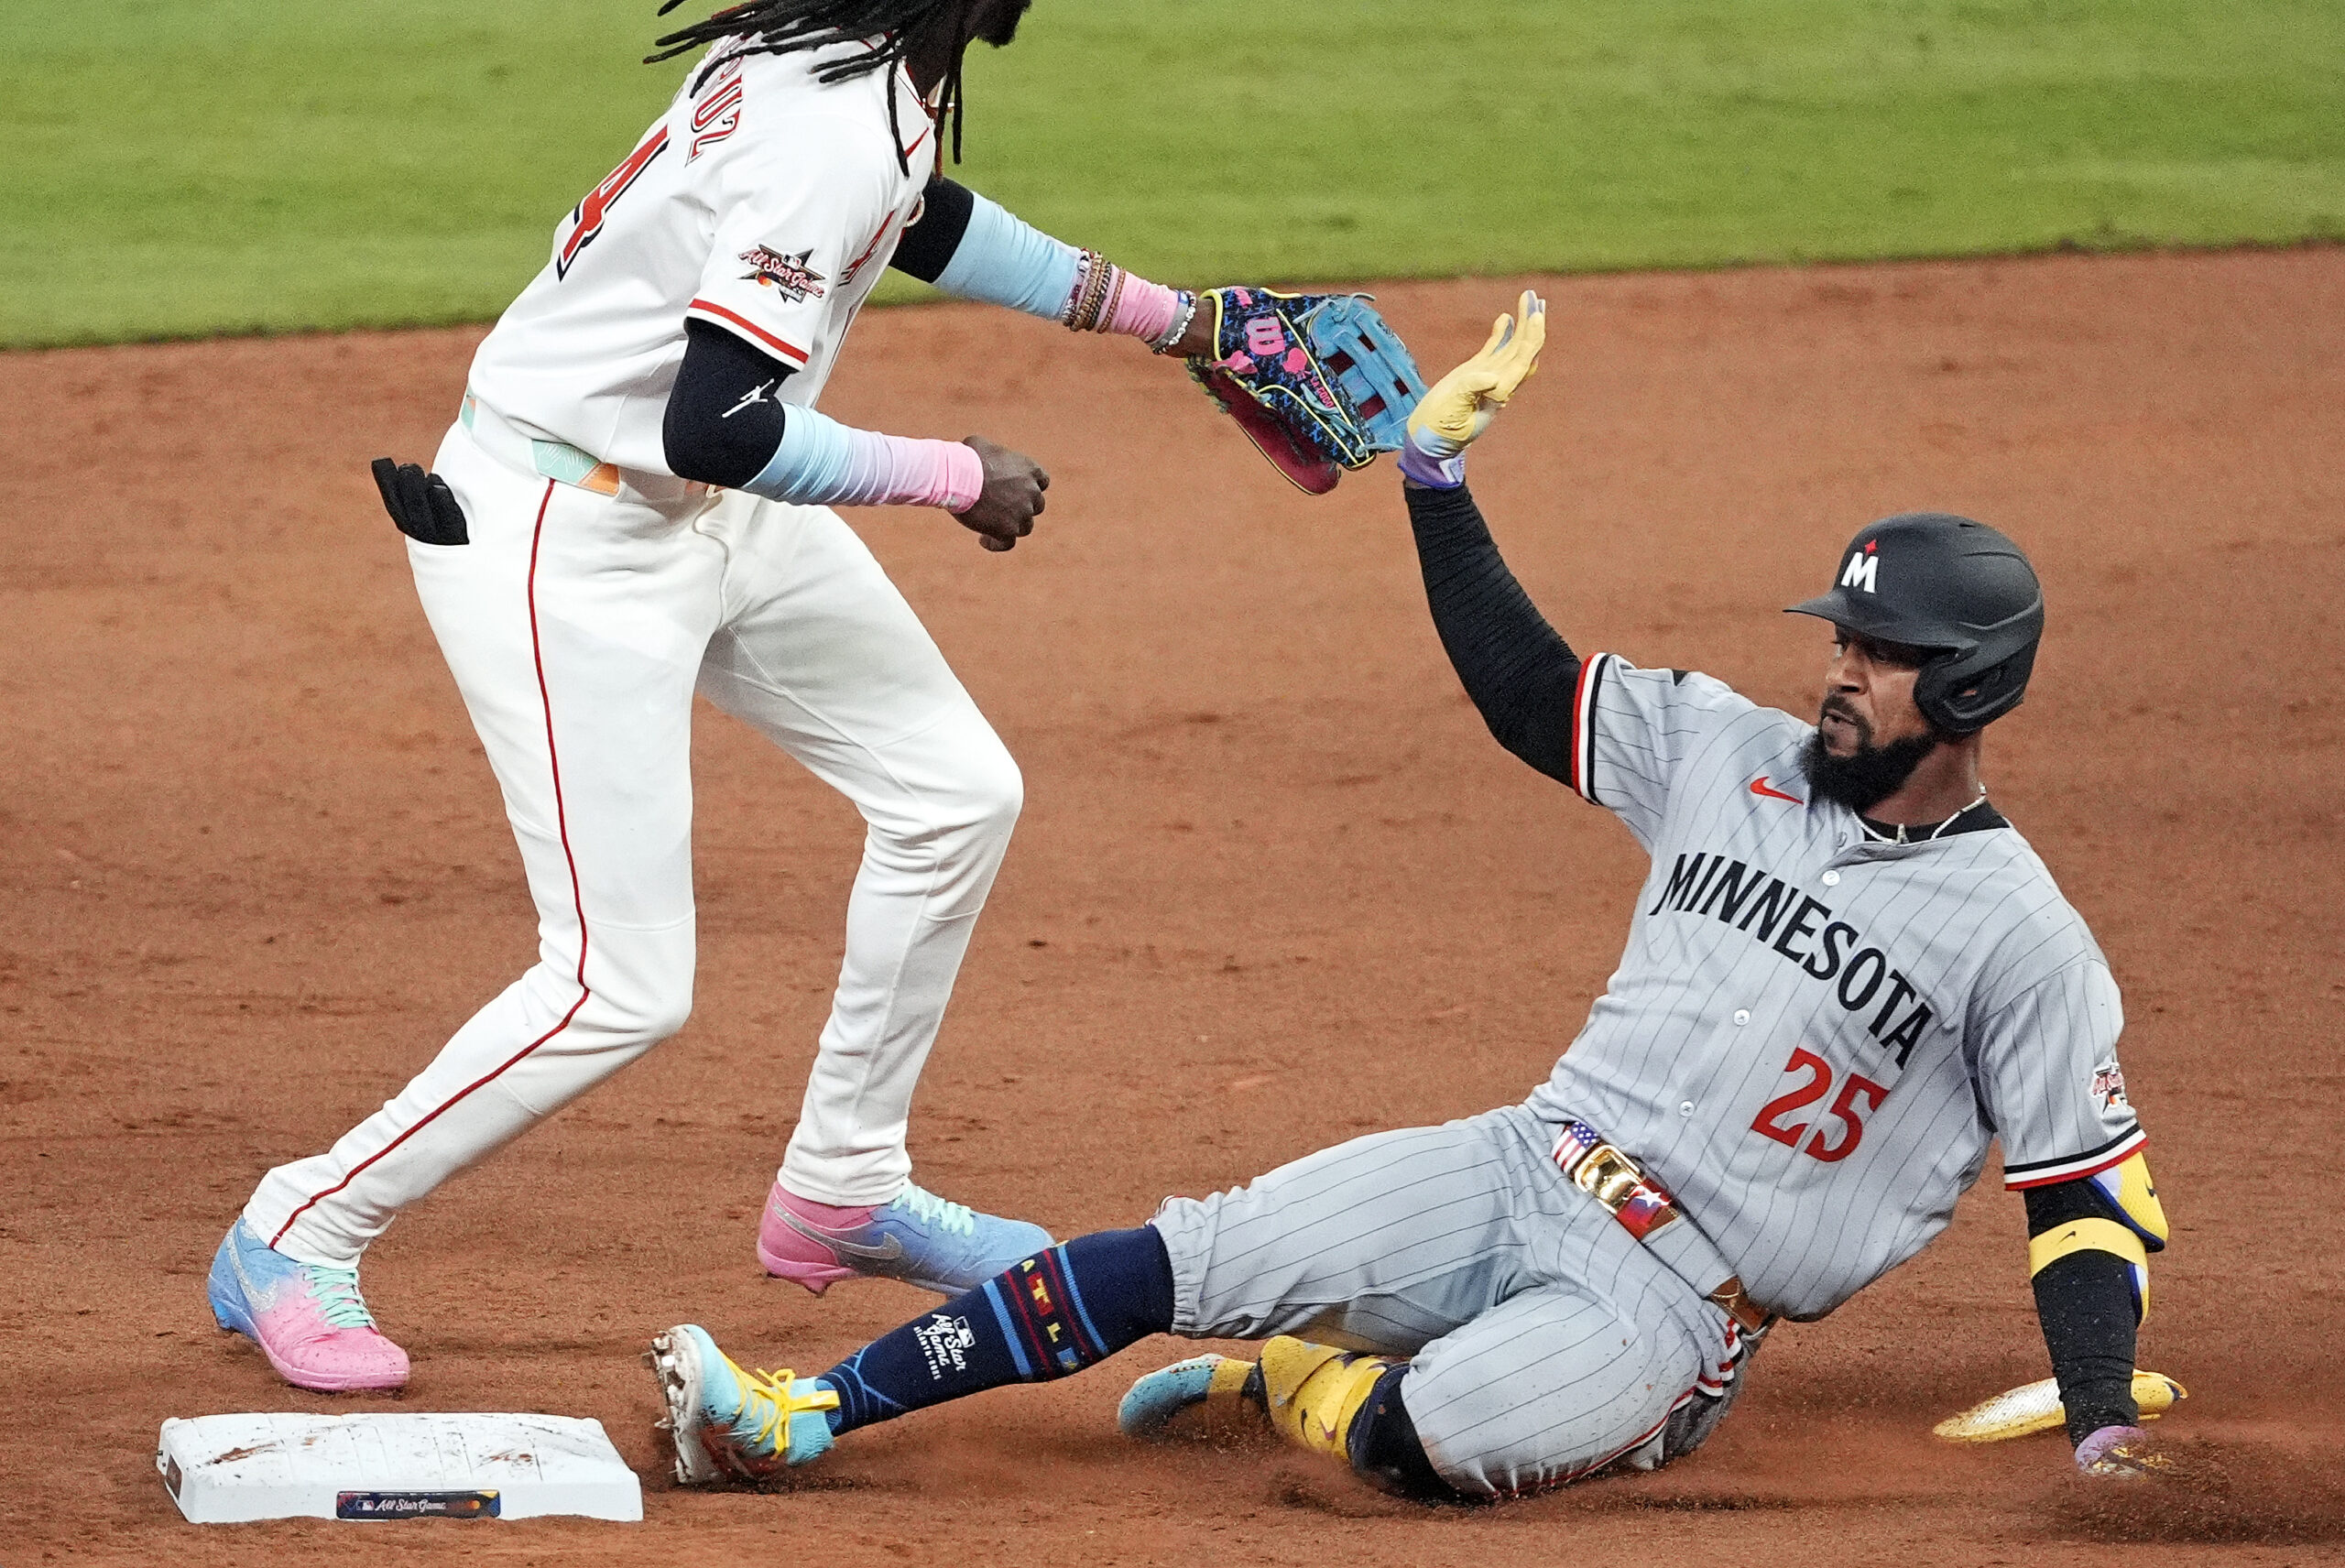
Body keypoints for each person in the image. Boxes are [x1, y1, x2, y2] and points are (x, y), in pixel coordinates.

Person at [647, 292, 2173, 1497]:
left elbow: (2083, 1200)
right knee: (1182, 1256)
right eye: (1843, 640)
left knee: (1419, 1449)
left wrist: (2103, 1425)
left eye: (1882, 654)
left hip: (1674, 1312)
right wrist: (1434, 482)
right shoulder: (1732, 751)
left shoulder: (2023, 940)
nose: (1841, 671)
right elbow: (1532, 697)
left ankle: (1305, 1382)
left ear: (1969, 683)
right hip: (1525, 1160)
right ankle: (800, 1415)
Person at [207, 0, 1238, 1394]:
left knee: (955, 793)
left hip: (707, 509)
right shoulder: (826, 115)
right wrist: (955, 477)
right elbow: (722, 420)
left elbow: (914, 218)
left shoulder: (862, 59)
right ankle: (294, 1230)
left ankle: (846, 1187)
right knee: (617, 985)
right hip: (563, 535)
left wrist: (1180, 323)